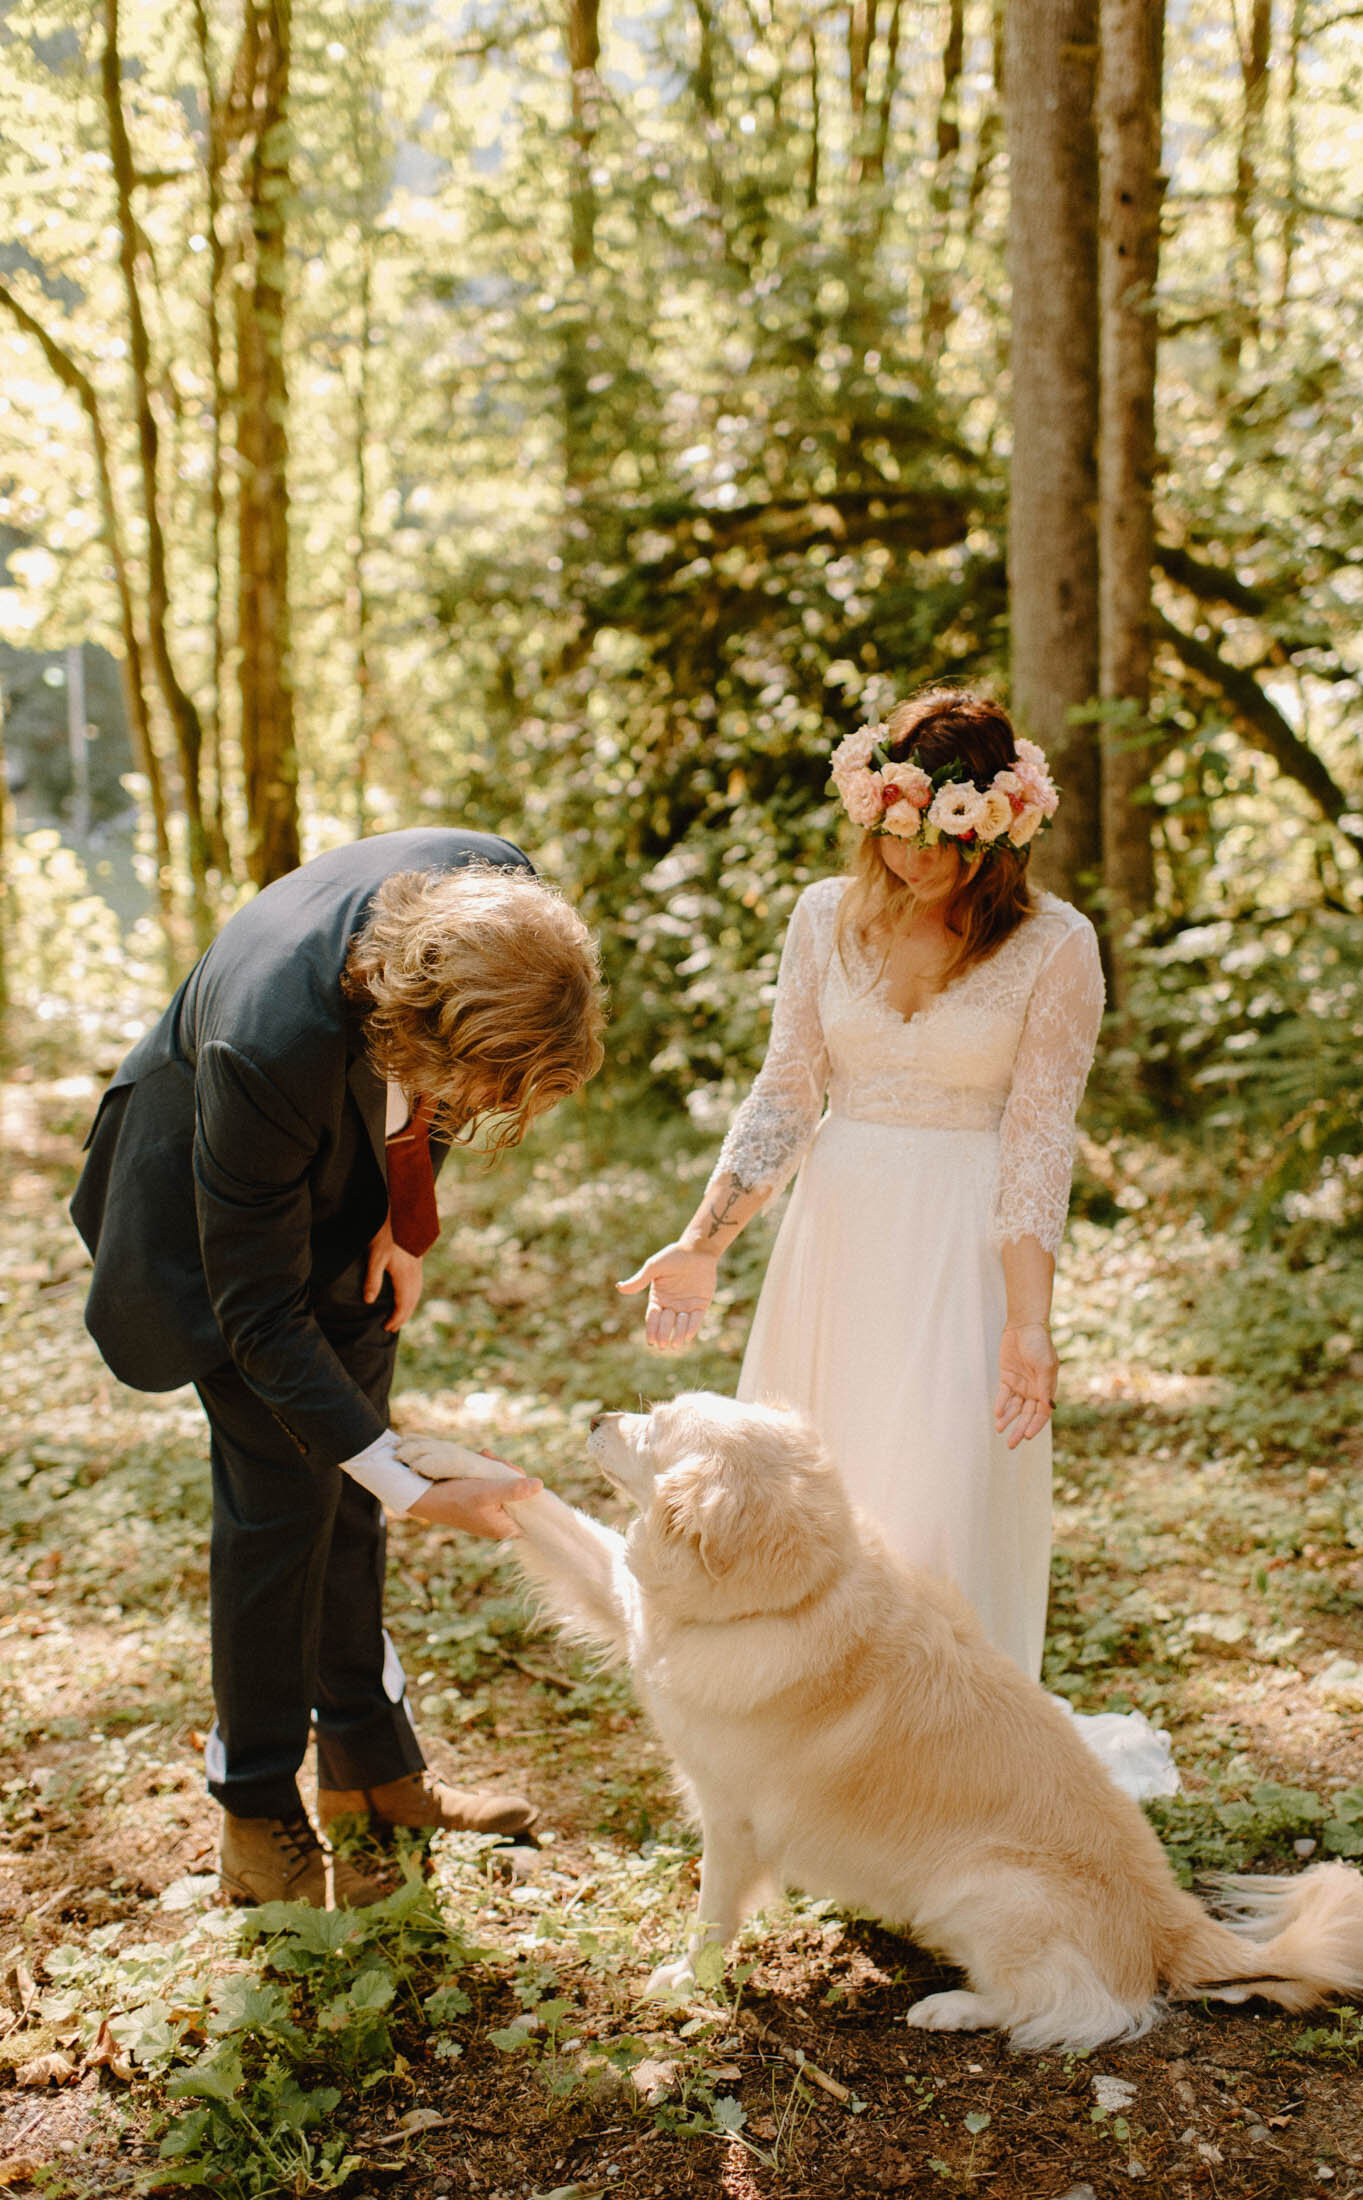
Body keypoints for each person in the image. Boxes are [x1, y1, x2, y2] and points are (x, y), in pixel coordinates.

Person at [620, 693, 1177, 1798]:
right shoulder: (822, 916)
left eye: (940, 839)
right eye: (893, 829)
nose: (910, 857)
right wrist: (702, 1242)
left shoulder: (1055, 946)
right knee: (819, 1484)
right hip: (837, 1234)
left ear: (996, 831)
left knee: (939, 1493)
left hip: (959, 1243)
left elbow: (1034, 1144)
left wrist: (1028, 1321)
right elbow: (784, 1093)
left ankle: (934, 1764)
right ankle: (806, 1747)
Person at [71, 828, 606, 1905]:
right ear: (412, 1024)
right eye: (468, 1087)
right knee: (281, 1499)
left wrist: (404, 1222)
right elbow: (258, 1312)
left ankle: (373, 1774)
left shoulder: (495, 896)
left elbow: (444, 1087)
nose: (475, 1111)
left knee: (345, 1490)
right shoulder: (266, 1044)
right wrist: (414, 1487)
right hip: (215, 1213)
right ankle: (257, 1810)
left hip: (351, 1185)